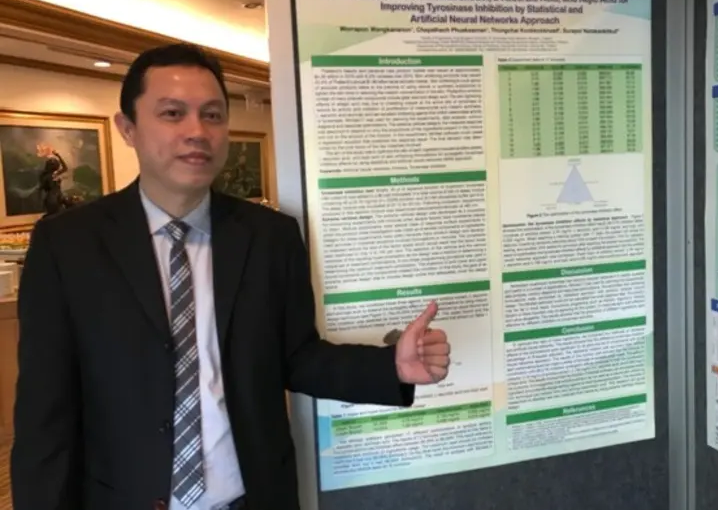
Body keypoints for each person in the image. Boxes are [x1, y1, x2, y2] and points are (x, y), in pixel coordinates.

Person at [11, 43, 451, 510]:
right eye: (173, 113)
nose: (197, 131)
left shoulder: (270, 236)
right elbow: (45, 413)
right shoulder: (69, 245)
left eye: (213, 115)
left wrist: (390, 366)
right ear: (128, 128)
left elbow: (296, 357)